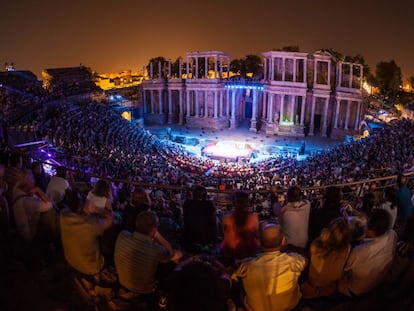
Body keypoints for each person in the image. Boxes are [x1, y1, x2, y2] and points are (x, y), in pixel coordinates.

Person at [232, 224, 307, 311]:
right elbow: (305, 262)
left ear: (259, 242)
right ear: (283, 241)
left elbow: (234, 275)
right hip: (290, 308)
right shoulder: (293, 261)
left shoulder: (247, 264)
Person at [114, 211, 182, 296]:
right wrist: (157, 235)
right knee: (177, 257)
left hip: (122, 281)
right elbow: (170, 253)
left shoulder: (122, 235)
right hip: (145, 290)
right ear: (154, 229)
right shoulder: (155, 250)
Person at [338, 209, 397, 296]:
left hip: (353, 289)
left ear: (371, 230)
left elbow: (344, 269)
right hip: (375, 281)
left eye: (367, 223)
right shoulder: (393, 235)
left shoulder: (360, 252)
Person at [60, 189, 114, 278]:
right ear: (82, 205)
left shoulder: (63, 214)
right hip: (91, 268)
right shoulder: (92, 223)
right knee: (109, 232)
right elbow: (111, 218)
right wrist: (97, 209)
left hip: (70, 260)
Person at [301, 218, 351, 299]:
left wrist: (321, 237)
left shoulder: (315, 247)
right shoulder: (347, 249)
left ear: (329, 234)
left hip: (313, 284)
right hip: (331, 287)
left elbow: (312, 248)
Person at [166, 254, 232, 311]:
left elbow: (178, 268)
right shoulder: (215, 299)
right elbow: (226, 276)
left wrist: (194, 258)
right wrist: (213, 260)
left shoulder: (177, 283)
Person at [12, 170, 53, 242]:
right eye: (33, 179)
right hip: (29, 234)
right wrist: (38, 190)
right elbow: (49, 205)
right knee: (49, 214)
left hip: (21, 227)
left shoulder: (16, 188)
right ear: (29, 182)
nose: (34, 181)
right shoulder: (28, 202)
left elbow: (20, 182)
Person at [221, 190, 259, 262]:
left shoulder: (226, 219)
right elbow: (256, 236)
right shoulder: (254, 218)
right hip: (250, 253)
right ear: (247, 202)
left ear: (233, 203)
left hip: (231, 255)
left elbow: (225, 237)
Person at [181, 185, 217, 253]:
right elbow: (214, 221)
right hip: (205, 239)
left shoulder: (187, 203)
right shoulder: (209, 204)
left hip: (189, 237)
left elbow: (184, 218)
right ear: (205, 195)